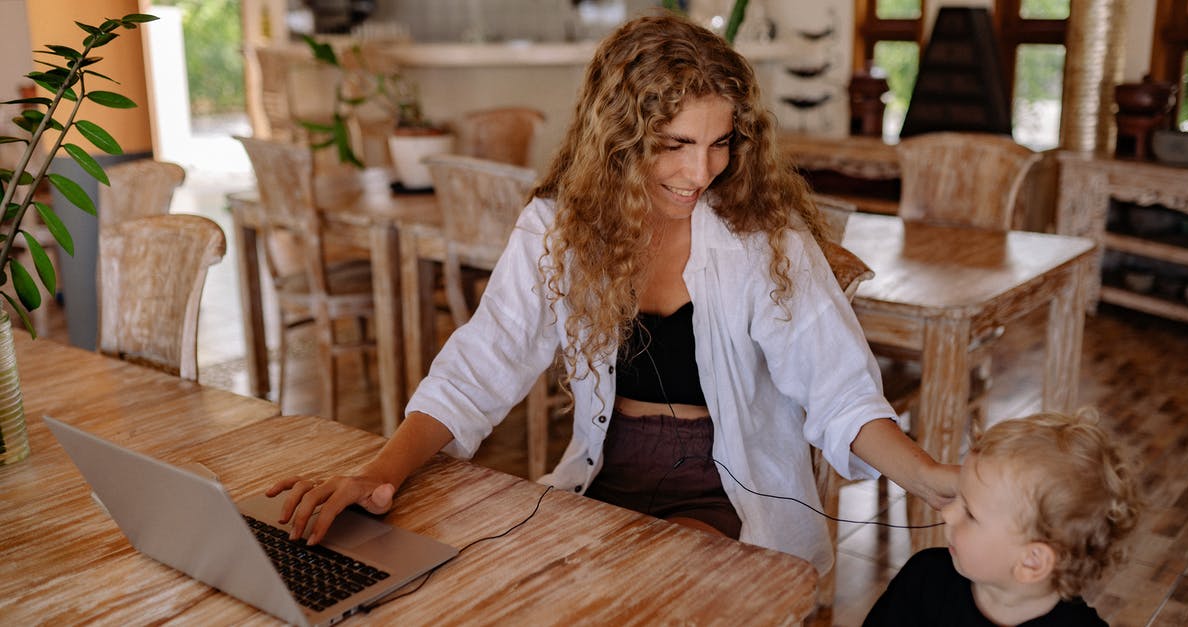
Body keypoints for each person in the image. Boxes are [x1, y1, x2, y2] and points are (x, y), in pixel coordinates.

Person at [268, 11, 956, 575]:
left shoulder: (763, 238)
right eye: (674, 144)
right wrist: (378, 473)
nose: (700, 171)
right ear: (619, 139)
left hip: (727, 487)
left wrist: (927, 476)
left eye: (720, 143)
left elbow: (841, 392)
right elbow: (483, 362)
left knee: (646, 589)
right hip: (604, 474)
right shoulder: (561, 227)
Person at [864, 410, 1141, 626]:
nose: (947, 513)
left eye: (970, 514)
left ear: (1032, 561)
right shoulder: (924, 581)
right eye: (957, 497)